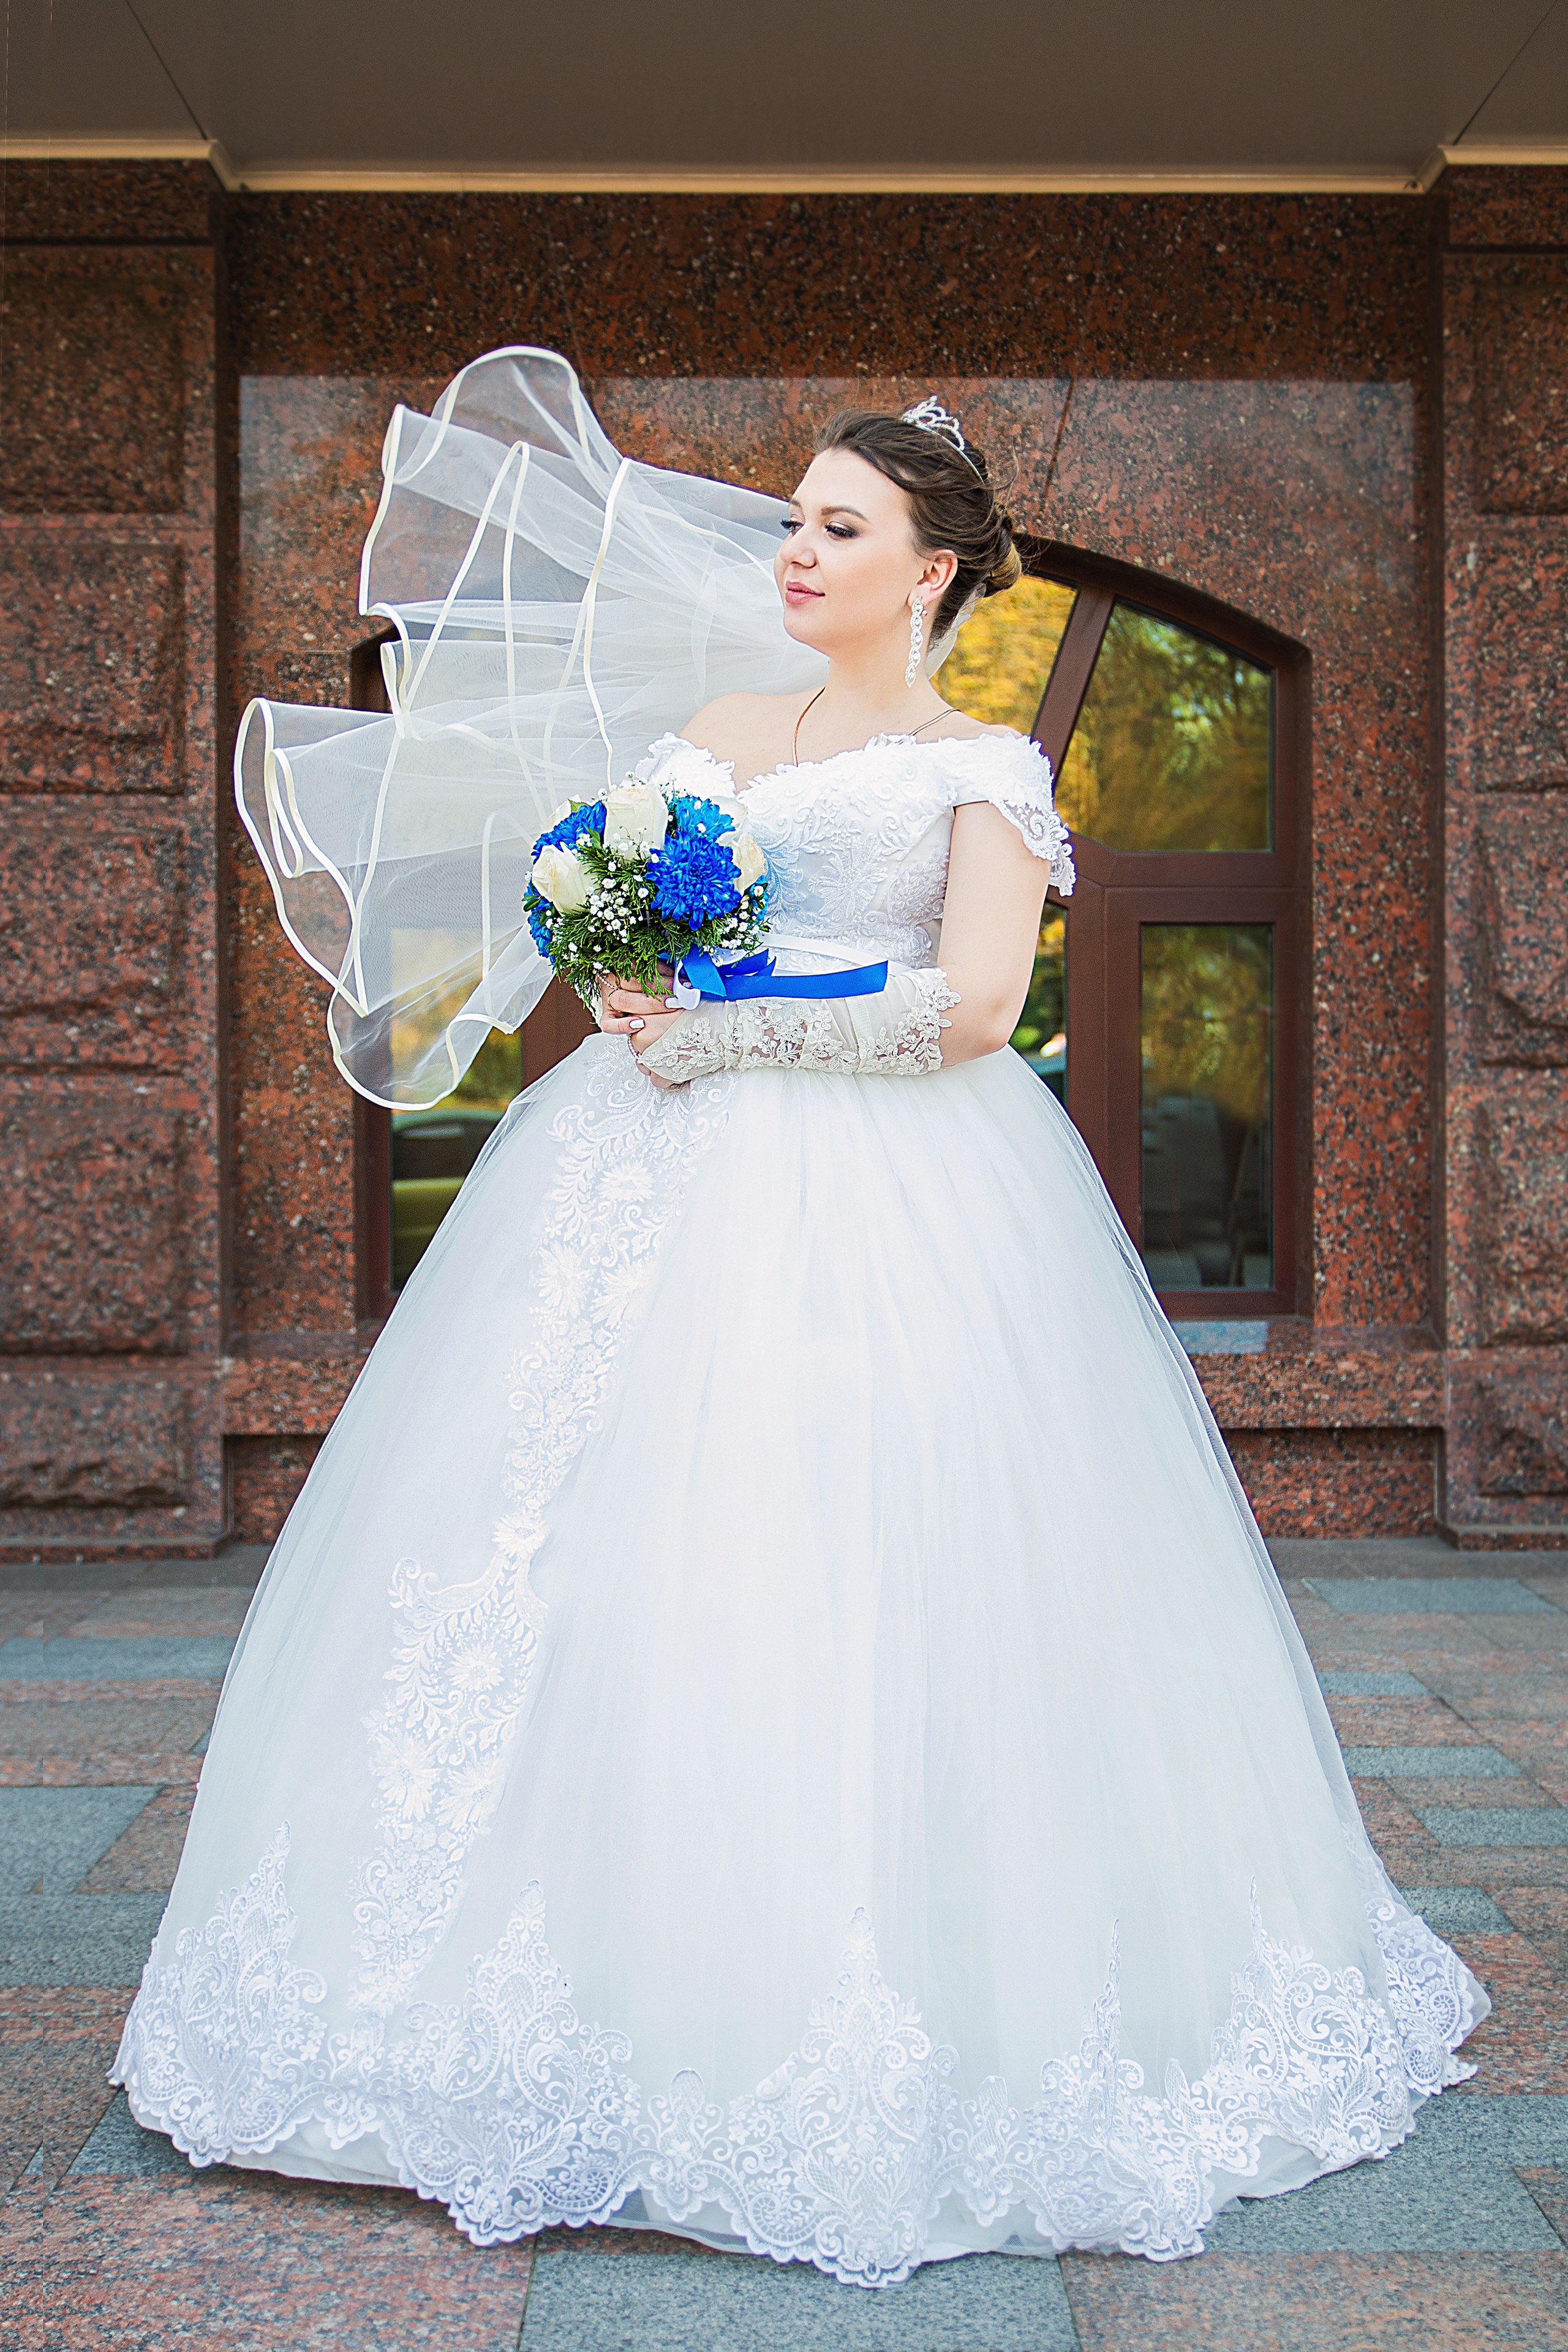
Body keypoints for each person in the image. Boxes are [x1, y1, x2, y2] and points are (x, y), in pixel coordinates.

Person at [114, 350, 1485, 2288]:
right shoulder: (723, 721)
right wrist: (619, 968)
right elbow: (630, 919)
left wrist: (734, 1025)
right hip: (630, 1173)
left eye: (839, 529)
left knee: (850, 1548)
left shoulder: (983, 773)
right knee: (571, 1543)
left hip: (894, 1197)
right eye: (792, 523)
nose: (798, 554)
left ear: (931, 571)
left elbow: (976, 1011)